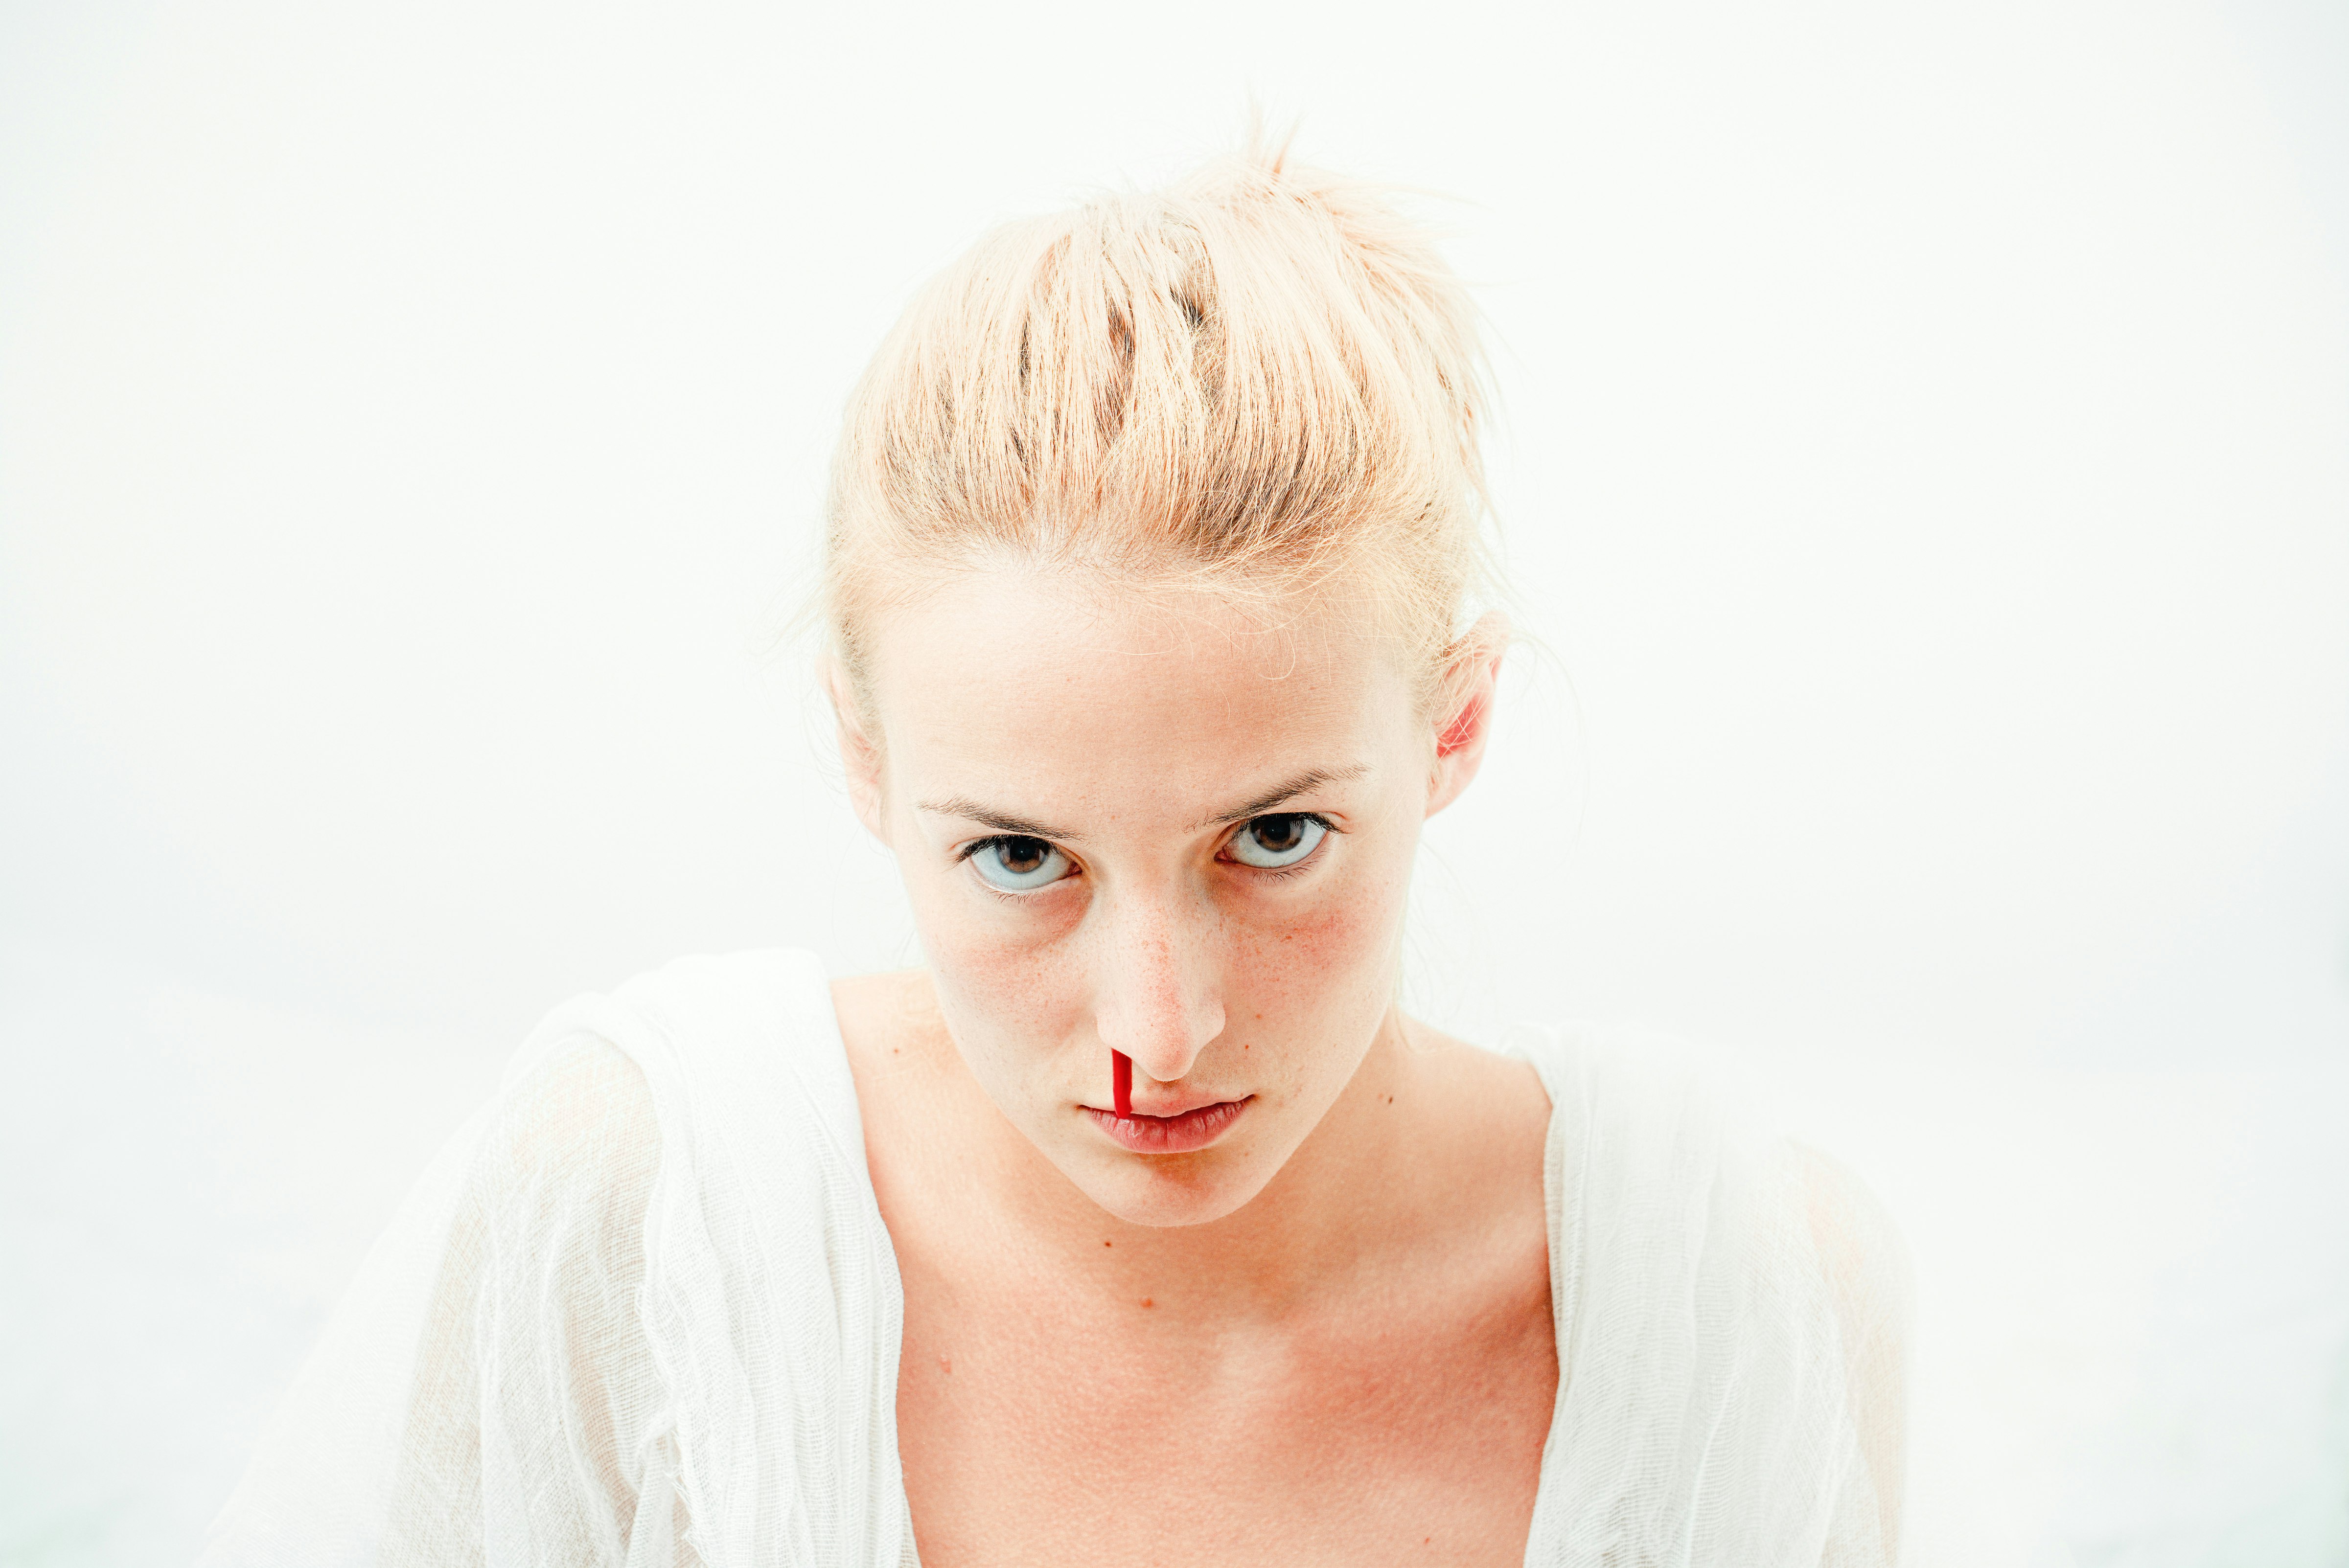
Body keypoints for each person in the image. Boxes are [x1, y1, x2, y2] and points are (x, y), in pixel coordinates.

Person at [201, 139, 1911, 1567]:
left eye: (1277, 838)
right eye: (1022, 858)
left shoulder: (1736, 1304)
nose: (1159, 1035)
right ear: (866, 765)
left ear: (1453, 728)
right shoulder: (653, 1218)